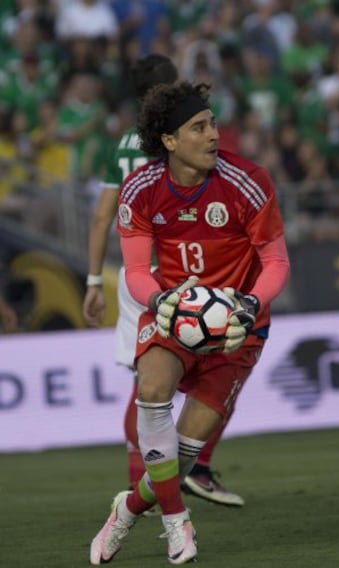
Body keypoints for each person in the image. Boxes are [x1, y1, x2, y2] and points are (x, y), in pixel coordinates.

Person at [90, 80, 290, 565]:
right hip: (174, 313)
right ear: (170, 142)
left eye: (213, 123)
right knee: (152, 392)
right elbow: (136, 271)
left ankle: (128, 509)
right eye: (198, 127)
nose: (213, 135)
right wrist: (159, 301)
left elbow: (277, 261)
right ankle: (178, 525)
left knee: (180, 457)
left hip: (239, 327)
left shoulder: (248, 181)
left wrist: (249, 303)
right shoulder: (140, 188)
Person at [83, 53, 245, 507]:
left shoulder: (125, 145)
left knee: (148, 387)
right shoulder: (189, 135)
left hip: (143, 279)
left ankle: (146, 486)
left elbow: (102, 216)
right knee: (221, 369)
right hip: (198, 266)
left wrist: (94, 279)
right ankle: (197, 467)